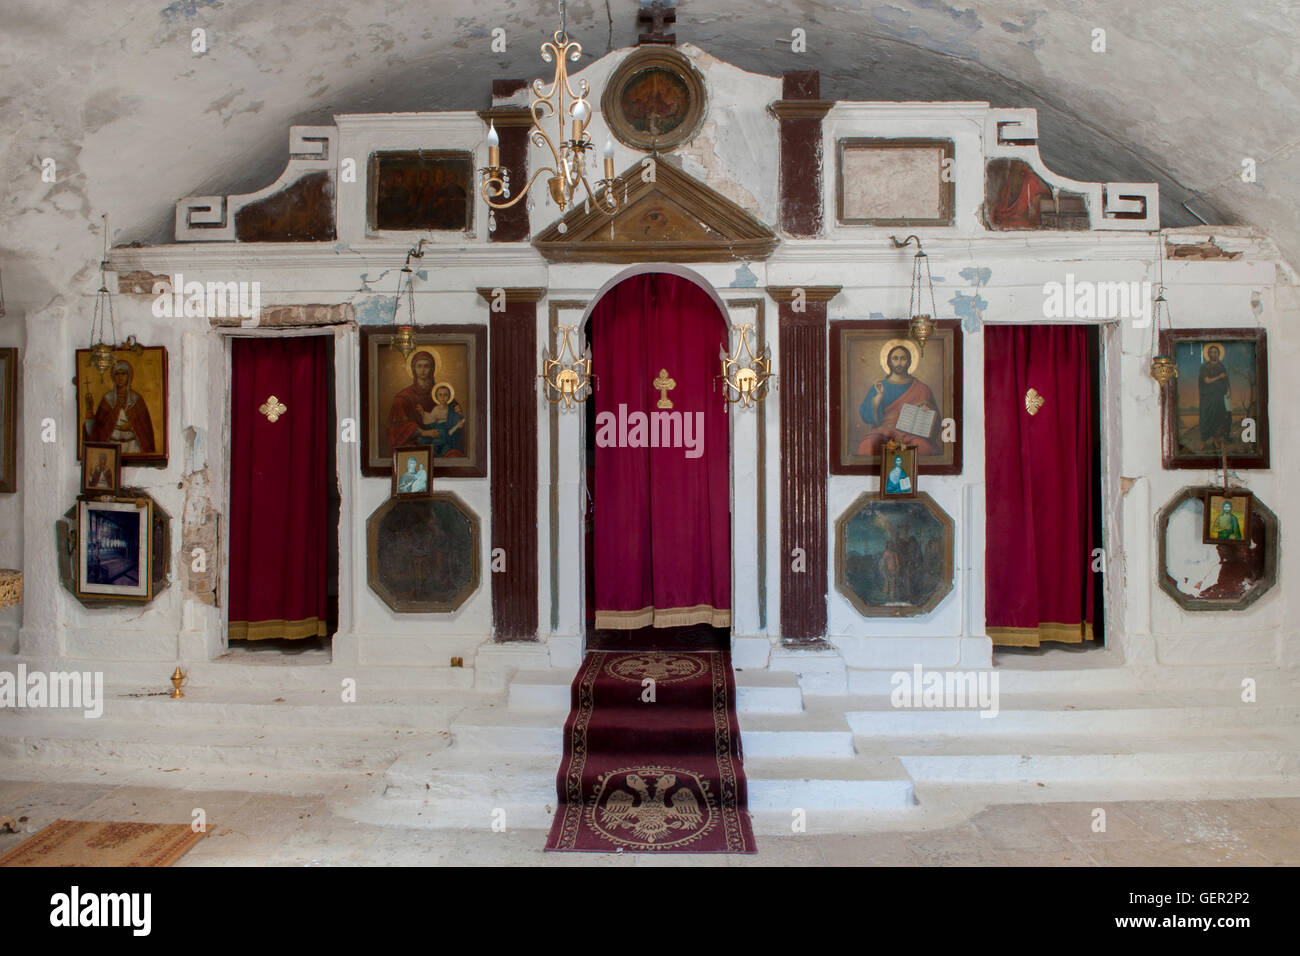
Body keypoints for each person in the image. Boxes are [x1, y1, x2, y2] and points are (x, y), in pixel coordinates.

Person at [858, 343, 942, 457]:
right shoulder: (879, 386)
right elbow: (867, 417)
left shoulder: (922, 388)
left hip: (911, 434)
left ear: (909, 361)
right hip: (882, 432)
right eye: (895, 358)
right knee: (866, 448)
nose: (899, 362)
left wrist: (926, 412)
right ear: (889, 361)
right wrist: (878, 398)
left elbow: (936, 420)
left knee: (924, 449)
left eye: (903, 358)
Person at [88, 360, 155, 454]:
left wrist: (131, 427)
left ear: (129, 376)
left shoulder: (136, 400)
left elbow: (145, 430)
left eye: (123, 374)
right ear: (113, 377)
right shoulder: (107, 399)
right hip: (111, 447)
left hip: (133, 447)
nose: (120, 377)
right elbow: (98, 428)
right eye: (117, 374)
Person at [387, 350, 438, 451]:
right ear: (413, 369)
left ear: (432, 369)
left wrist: (455, 413)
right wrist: (422, 432)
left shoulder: (441, 393)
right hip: (412, 445)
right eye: (419, 366)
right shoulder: (403, 398)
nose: (422, 370)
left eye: (426, 366)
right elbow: (395, 429)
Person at [1198, 344, 1232, 448]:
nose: (1213, 354)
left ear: (1218, 354)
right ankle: (1203, 441)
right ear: (1208, 354)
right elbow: (1206, 380)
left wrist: (1229, 390)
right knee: (1206, 417)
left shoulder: (1221, 366)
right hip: (1208, 396)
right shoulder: (1205, 366)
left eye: (1215, 352)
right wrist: (1219, 377)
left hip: (1219, 395)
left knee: (1218, 417)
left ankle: (1215, 440)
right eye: (1211, 352)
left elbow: (1226, 380)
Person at [422, 383, 466, 458]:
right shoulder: (435, 409)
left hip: (447, 431)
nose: (443, 397)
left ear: (449, 396)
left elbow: (457, 421)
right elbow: (431, 419)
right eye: (440, 395)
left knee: (443, 446)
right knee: (425, 441)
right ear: (436, 396)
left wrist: (460, 416)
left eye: (445, 395)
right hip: (437, 429)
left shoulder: (452, 409)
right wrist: (422, 413)